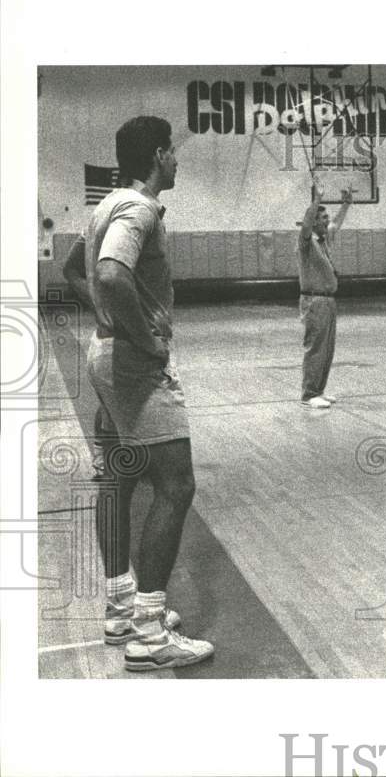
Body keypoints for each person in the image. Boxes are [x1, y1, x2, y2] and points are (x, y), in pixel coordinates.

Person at [85, 115, 213, 670]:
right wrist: (144, 338)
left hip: (106, 356)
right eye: (173, 152)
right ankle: (149, 631)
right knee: (176, 486)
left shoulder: (107, 204)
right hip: (134, 364)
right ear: (159, 155)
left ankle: (121, 608)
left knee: (118, 479)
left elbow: (81, 269)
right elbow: (111, 274)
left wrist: (113, 323)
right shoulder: (139, 209)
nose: (177, 160)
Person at [62, 234, 116, 478]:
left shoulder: (152, 222)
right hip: (114, 336)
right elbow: (70, 268)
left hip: (147, 329)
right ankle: (102, 455)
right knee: (108, 404)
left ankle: (120, 455)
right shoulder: (100, 224)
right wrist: (96, 301)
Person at [298, 188, 352, 408]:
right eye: (322, 218)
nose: (327, 220)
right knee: (315, 347)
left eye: (326, 217)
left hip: (329, 300)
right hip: (315, 300)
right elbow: (306, 224)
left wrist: (346, 204)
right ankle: (308, 394)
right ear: (313, 222)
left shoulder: (325, 239)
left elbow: (336, 224)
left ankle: (318, 390)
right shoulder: (306, 241)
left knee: (327, 349)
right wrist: (317, 200)